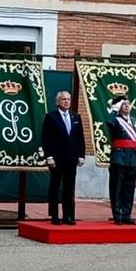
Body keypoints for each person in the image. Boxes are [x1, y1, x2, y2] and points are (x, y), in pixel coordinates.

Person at [41, 91, 86, 225]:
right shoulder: (51, 117)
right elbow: (46, 138)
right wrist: (48, 156)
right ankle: (54, 215)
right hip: (56, 158)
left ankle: (68, 215)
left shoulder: (76, 117)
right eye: (63, 99)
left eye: (68, 99)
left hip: (71, 158)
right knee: (55, 186)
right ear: (57, 102)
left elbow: (80, 138)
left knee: (69, 187)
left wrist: (81, 155)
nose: (66, 101)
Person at [104, 97, 136, 225]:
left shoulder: (135, 121)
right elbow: (108, 122)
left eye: (128, 104)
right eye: (123, 104)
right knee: (117, 187)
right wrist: (114, 110)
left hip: (132, 158)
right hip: (119, 157)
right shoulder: (116, 119)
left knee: (129, 188)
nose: (126, 106)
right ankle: (117, 214)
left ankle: (126, 214)